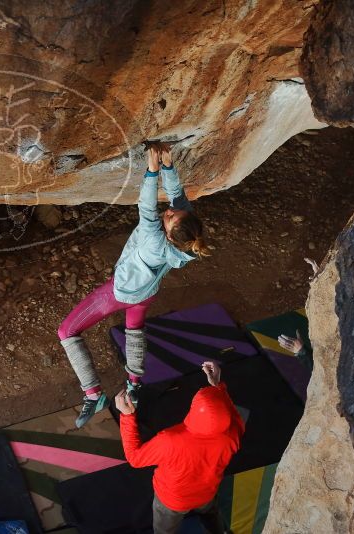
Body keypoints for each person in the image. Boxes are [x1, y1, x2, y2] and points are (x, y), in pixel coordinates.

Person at [57, 142, 209, 427]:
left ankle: (92, 394)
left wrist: (151, 172)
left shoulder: (154, 240)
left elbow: (147, 206)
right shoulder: (189, 240)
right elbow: (177, 196)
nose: (169, 212)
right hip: (147, 293)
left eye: (171, 217)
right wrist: (168, 165)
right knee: (134, 330)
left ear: (168, 234)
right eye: (175, 213)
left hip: (122, 292)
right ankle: (134, 384)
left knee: (66, 330)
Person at [115, 362, 243, 534]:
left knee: (164, 530)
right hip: (206, 493)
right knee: (211, 514)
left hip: (172, 501)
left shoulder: (171, 440)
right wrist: (218, 387)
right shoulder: (232, 433)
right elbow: (232, 413)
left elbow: (135, 459)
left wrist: (127, 416)